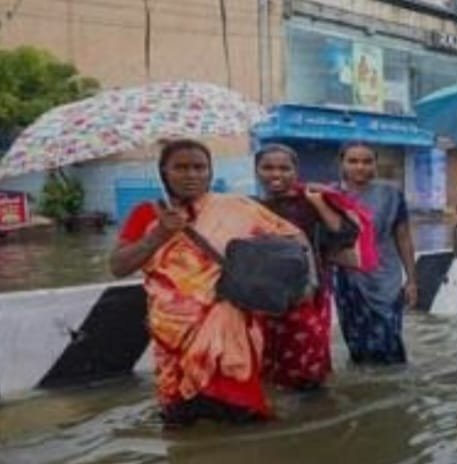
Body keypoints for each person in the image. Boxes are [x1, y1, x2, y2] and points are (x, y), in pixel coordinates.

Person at [109, 139, 307, 426]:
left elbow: (293, 240)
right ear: (164, 171)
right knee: (179, 420)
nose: (191, 175)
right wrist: (158, 235)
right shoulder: (146, 214)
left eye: (199, 167)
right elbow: (117, 267)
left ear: (210, 172)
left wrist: (297, 284)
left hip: (229, 319)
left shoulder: (237, 207)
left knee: (241, 414)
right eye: (181, 167)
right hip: (173, 332)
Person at [254, 144, 377, 390]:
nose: (276, 174)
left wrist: (319, 204)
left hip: (307, 294)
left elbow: (346, 233)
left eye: (284, 168)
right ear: (256, 170)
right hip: (265, 297)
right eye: (267, 167)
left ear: (295, 171)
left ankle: (315, 407)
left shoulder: (310, 200)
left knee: (307, 360)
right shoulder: (251, 207)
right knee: (269, 359)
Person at [330, 141, 418, 365]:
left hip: (385, 276)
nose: (360, 167)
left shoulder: (392, 194)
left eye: (367, 161)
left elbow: (403, 237)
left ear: (375, 164)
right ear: (342, 164)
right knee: (356, 338)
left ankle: (394, 387)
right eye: (353, 161)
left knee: (390, 337)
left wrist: (411, 280)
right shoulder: (329, 196)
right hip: (348, 277)